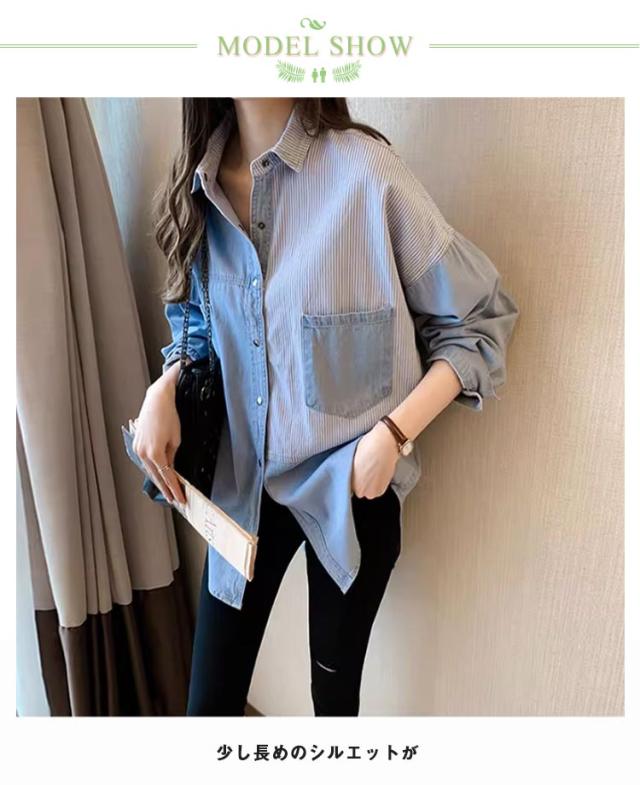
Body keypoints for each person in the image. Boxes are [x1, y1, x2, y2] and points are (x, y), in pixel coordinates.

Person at [132, 98, 520, 716]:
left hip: (352, 489)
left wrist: (392, 434)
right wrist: (166, 384)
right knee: (208, 706)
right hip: (243, 486)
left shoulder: (367, 174)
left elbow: (478, 320)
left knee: (334, 703)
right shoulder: (197, 187)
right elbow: (199, 327)